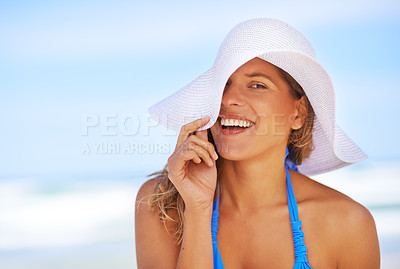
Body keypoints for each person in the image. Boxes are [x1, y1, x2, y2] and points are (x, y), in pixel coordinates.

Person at [135, 18, 380, 268]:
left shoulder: (349, 224)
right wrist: (197, 211)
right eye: (224, 84)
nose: (228, 99)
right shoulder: (162, 205)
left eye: (257, 85)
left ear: (298, 113)